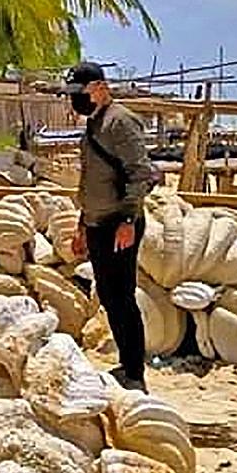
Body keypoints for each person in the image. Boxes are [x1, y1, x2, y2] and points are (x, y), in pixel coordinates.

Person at [65, 61, 158, 392]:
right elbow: (90, 180)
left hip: (119, 224)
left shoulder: (121, 122)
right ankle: (127, 365)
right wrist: (82, 225)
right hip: (97, 224)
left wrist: (128, 220)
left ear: (101, 88)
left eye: (81, 92)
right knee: (108, 295)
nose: (76, 99)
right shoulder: (94, 124)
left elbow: (139, 173)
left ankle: (134, 372)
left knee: (122, 297)